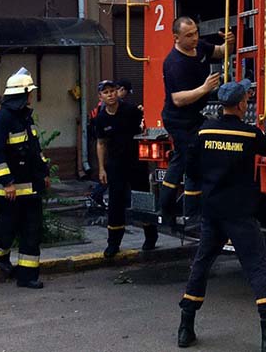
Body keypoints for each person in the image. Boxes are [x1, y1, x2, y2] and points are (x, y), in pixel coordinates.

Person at [176, 79, 266, 352]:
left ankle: (185, 327)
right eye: (247, 98)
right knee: (257, 266)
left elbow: (192, 168)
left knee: (201, 264)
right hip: (240, 213)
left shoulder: (204, 131)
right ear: (242, 104)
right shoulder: (248, 134)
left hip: (212, 211)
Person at [159, 16, 233, 224]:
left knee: (184, 158)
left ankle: (172, 210)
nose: (194, 38)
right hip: (178, 118)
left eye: (196, 33)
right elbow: (178, 99)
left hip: (194, 116)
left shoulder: (198, 46)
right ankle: (185, 212)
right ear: (176, 38)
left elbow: (219, 52)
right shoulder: (174, 63)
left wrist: (230, 42)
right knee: (190, 158)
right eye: (189, 35)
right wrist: (205, 88)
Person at [0, 68, 50, 289]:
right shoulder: (2, 119)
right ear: (22, 94)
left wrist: (44, 174)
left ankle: (27, 277)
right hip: (10, 190)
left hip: (31, 187)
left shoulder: (25, 118)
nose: (32, 96)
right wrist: (8, 183)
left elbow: (34, 150)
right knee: (8, 227)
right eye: (29, 92)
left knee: (32, 231)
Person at [93, 79, 158, 257]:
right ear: (100, 97)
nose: (110, 94)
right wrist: (101, 169)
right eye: (106, 92)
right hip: (115, 165)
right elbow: (100, 144)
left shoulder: (130, 111)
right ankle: (113, 243)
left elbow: (145, 126)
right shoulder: (100, 118)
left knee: (142, 198)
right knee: (115, 203)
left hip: (136, 162)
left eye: (112, 91)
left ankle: (151, 237)